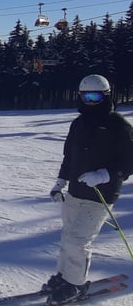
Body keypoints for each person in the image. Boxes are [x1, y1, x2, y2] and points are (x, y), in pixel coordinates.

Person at [43, 74, 133, 305]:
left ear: (105, 96)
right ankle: (64, 277)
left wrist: (104, 175)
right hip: (74, 192)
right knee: (68, 238)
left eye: (94, 96)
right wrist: (60, 182)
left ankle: (77, 285)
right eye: (85, 96)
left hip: (100, 195)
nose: (90, 102)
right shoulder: (78, 123)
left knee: (78, 240)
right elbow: (69, 157)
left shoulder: (118, 125)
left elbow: (129, 161)